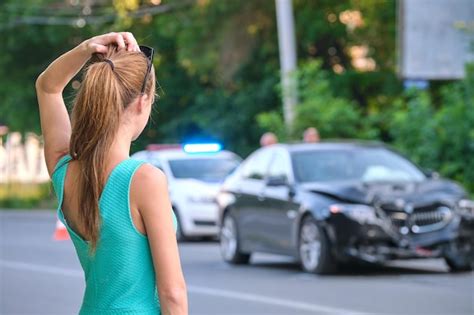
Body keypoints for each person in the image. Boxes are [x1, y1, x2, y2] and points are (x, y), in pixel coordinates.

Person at [36, 32, 188, 315]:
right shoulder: (145, 180)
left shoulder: (63, 171)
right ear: (143, 102)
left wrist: (85, 48)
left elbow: (47, 87)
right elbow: (173, 293)